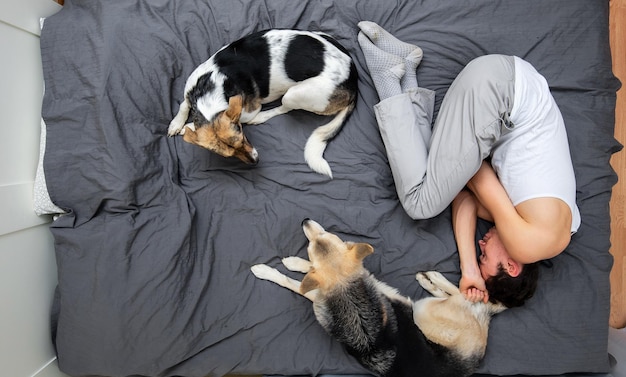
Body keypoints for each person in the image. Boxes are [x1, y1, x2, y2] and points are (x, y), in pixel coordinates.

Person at [357, 21, 581, 304]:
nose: (480, 244)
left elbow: (463, 198)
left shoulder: (555, 228)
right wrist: (474, 267)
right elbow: (475, 176)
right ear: (512, 267)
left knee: (436, 183)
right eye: (484, 256)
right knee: (420, 203)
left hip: (505, 84)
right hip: (499, 96)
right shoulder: (528, 244)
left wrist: (470, 270)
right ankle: (388, 78)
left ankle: (405, 70)